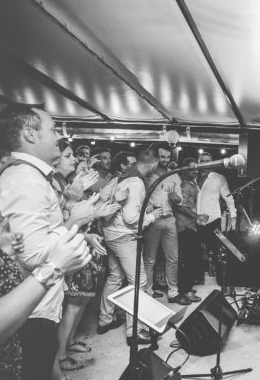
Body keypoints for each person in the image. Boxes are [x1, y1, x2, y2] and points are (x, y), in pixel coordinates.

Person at [0, 104, 94, 380]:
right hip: (31, 310)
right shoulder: (25, 179)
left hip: (37, 304)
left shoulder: (32, 177)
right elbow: (34, 257)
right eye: (53, 129)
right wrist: (74, 221)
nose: (58, 136)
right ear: (30, 134)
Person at [52, 141, 120, 376]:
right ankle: (61, 355)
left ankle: (69, 342)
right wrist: (85, 218)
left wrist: (96, 213)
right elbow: (62, 224)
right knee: (72, 304)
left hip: (84, 243)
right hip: (72, 246)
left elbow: (84, 215)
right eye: (72, 158)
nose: (84, 173)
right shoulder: (63, 189)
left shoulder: (75, 188)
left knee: (81, 300)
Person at [98, 148, 163, 345]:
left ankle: (104, 320)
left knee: (115, 277)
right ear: (152, 164)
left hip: (111, 234)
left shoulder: (120, 177)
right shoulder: (136, 182)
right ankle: (135, 331)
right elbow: (131, 218)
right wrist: (153, 216)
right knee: (139, 282)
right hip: (125, 237)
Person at [144, 146, 188, 304]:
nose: (166, 160)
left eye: (168, 157)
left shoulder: (174, 176)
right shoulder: (148, 175)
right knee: (149, 260)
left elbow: (179, 200)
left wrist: (176, 198)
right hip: (152, 220)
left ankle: (173, 293)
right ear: (156, 157)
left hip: (169, 220)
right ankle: (147, 292)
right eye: (162, 157)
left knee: (173, 258)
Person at [196, 152, 237, 279]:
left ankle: (219, 275)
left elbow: (229, 198)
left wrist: (234, 217)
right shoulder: (192, 176)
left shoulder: (219, 178)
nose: (206, 163)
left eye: (208, 160)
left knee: (217, 247)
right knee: (197, 248)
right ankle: (199, 274)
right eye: (203, 161)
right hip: (194, 218)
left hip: (213, 218)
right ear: (198, 161)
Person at [175, 157, 207, 298]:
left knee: (192, 257)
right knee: (188, 259)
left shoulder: (191, 183)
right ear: (185, 169)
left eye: (196, 168)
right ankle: (185, 290)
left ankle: (186, 287)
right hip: (184, 226)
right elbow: (181, 206)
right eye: (192, 168)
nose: (195, 170)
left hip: (191, 226)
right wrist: (197, 216)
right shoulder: (185, 185)